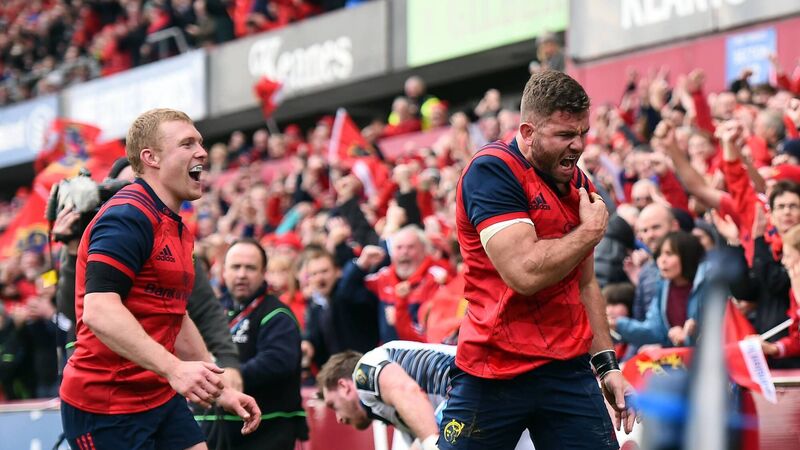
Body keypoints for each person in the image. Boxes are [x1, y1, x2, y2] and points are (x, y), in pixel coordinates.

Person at [442, 70, 635, 450]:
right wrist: (590, 232)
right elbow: (524, 274)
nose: (578, 145)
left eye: (583, 132)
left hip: (567, 370)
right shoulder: (492, 170)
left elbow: (585, 283)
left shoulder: (579, 183)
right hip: (494, 369)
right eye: (565, 135)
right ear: (528, 132)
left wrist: (607, 365)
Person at [59, 109, 260, 450]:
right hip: (105, 406)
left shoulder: (175, 225)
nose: (202, 152)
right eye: (187, 144)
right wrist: (175, 369)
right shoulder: (127, 216)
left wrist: (220, 388)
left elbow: (174, 315)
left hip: (158, 396)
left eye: (200, 142)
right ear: (150, 158)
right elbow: (99, 310)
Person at [53, 157, 244, 392]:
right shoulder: (95, 239)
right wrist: (73, 250)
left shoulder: (172, 238)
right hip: (108, 381)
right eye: (124, 188)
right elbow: (75, 312)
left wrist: (227, 361)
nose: (134, 194)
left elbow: (202, 308)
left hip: (165, 380)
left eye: (139, 184)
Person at [317, 341, 535, 450]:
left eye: (333, 405)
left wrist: (431, 444)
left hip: (484, 386)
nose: (339, 418)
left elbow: (406, 391)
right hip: (501, 398)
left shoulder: (364, 371)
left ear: (344, 386)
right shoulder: (398, 417)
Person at [202, 238, 307, 450]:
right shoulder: (211, 311)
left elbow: (278, 362)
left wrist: (223, 378)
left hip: (265, 432)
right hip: (211, 428)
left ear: (263, 273)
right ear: (224, 272)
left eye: (250, 268)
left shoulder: (277, 314)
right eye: (236, 267)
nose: (242, 274)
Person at [611, 231, 708, 347]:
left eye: (669, 254)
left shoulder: (708, 284)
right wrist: (618, 324)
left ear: (687, 256)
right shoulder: (663, 287)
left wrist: (690, 336)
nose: (662, 260)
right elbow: (654, 331)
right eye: (660, 254)